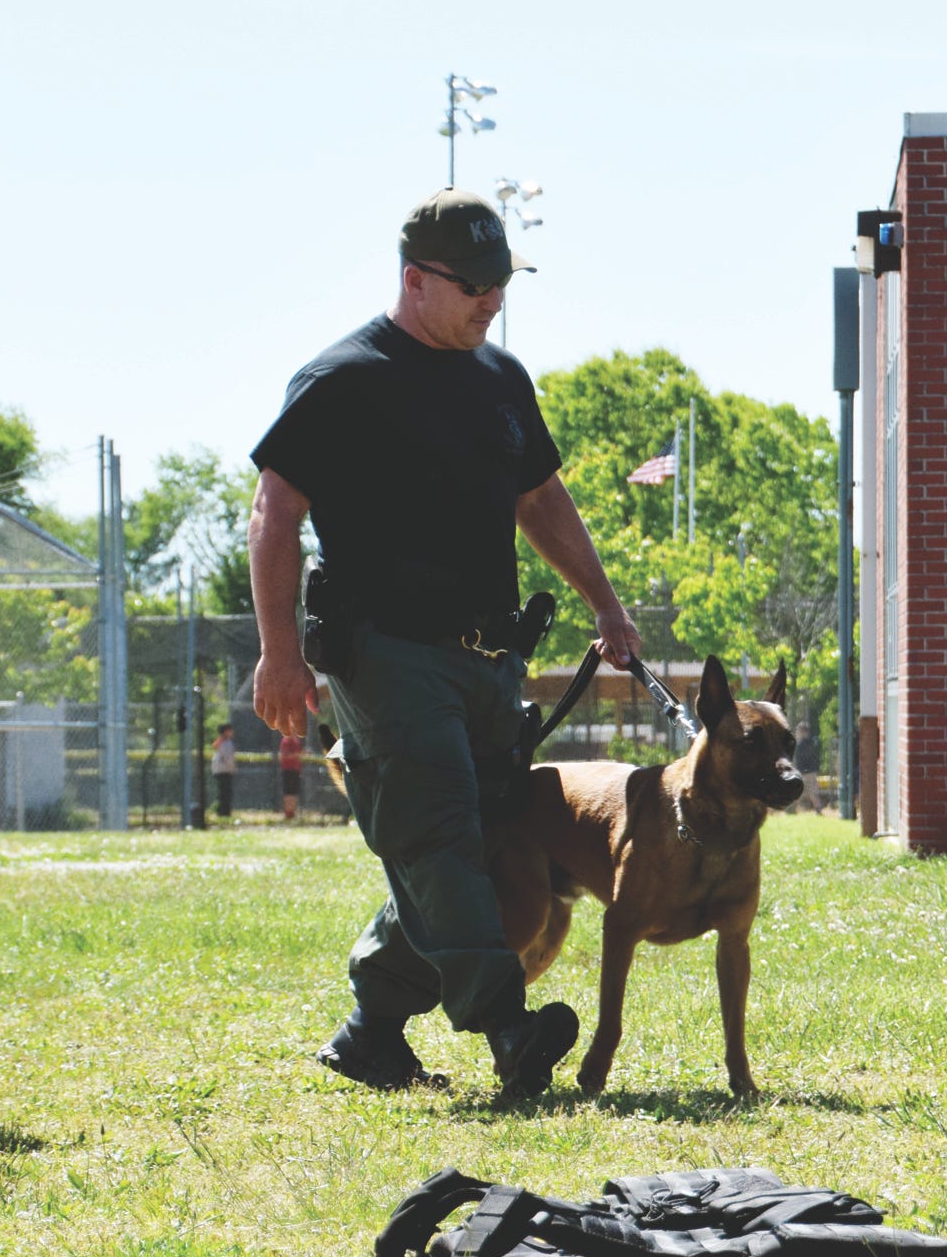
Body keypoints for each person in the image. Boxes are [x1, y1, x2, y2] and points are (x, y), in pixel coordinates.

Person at [250, 189, 641, 1097]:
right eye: (473, 287)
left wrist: (606, 605)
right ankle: (509, 1029)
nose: (490, 302)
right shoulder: (342, 378)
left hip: (487, 659)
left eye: (501, 286)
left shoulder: (500, 379)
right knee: (438, 840)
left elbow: (541, 500)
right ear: (415, 278)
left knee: (461, 841)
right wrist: (279, 651)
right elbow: (276, 513)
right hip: (386, 654)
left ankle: (371, 1028)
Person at [211, 722, 236, 819]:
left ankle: (222, 811)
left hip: (219, 771)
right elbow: (228, 758)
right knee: (225, 793)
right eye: (230, 730)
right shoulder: (226, 743)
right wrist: (233, 769)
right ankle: (224, 812)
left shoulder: (221, 741)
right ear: (226, 732)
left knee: (223, 793)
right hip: (225, 771)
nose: (232, 732)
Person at [279, 730, 303, 820]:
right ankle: (287, 812)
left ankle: (292, 811)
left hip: (295, 770)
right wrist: (296, 755)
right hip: (287, 770)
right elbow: (285, 756)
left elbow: (299, 754)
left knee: (294, 792)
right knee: (288, 792)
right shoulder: (285, 741)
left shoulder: (296, 741)